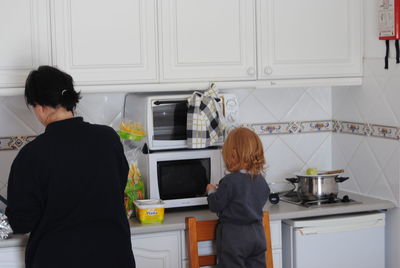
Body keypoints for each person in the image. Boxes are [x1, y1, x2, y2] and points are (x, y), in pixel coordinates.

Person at [5, 66, 135, 268]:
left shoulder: (32, 155)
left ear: (39, 107)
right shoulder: (108, 139)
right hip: (115, 257)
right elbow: (117, 187)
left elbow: (22, 222)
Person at [206, 127, 270, 268]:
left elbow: (215, 205)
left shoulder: (229, 181)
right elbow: (258, 196)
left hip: (234, 237)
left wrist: (211, 191)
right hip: (257, 234)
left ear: (232, 155)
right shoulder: (261, 180)